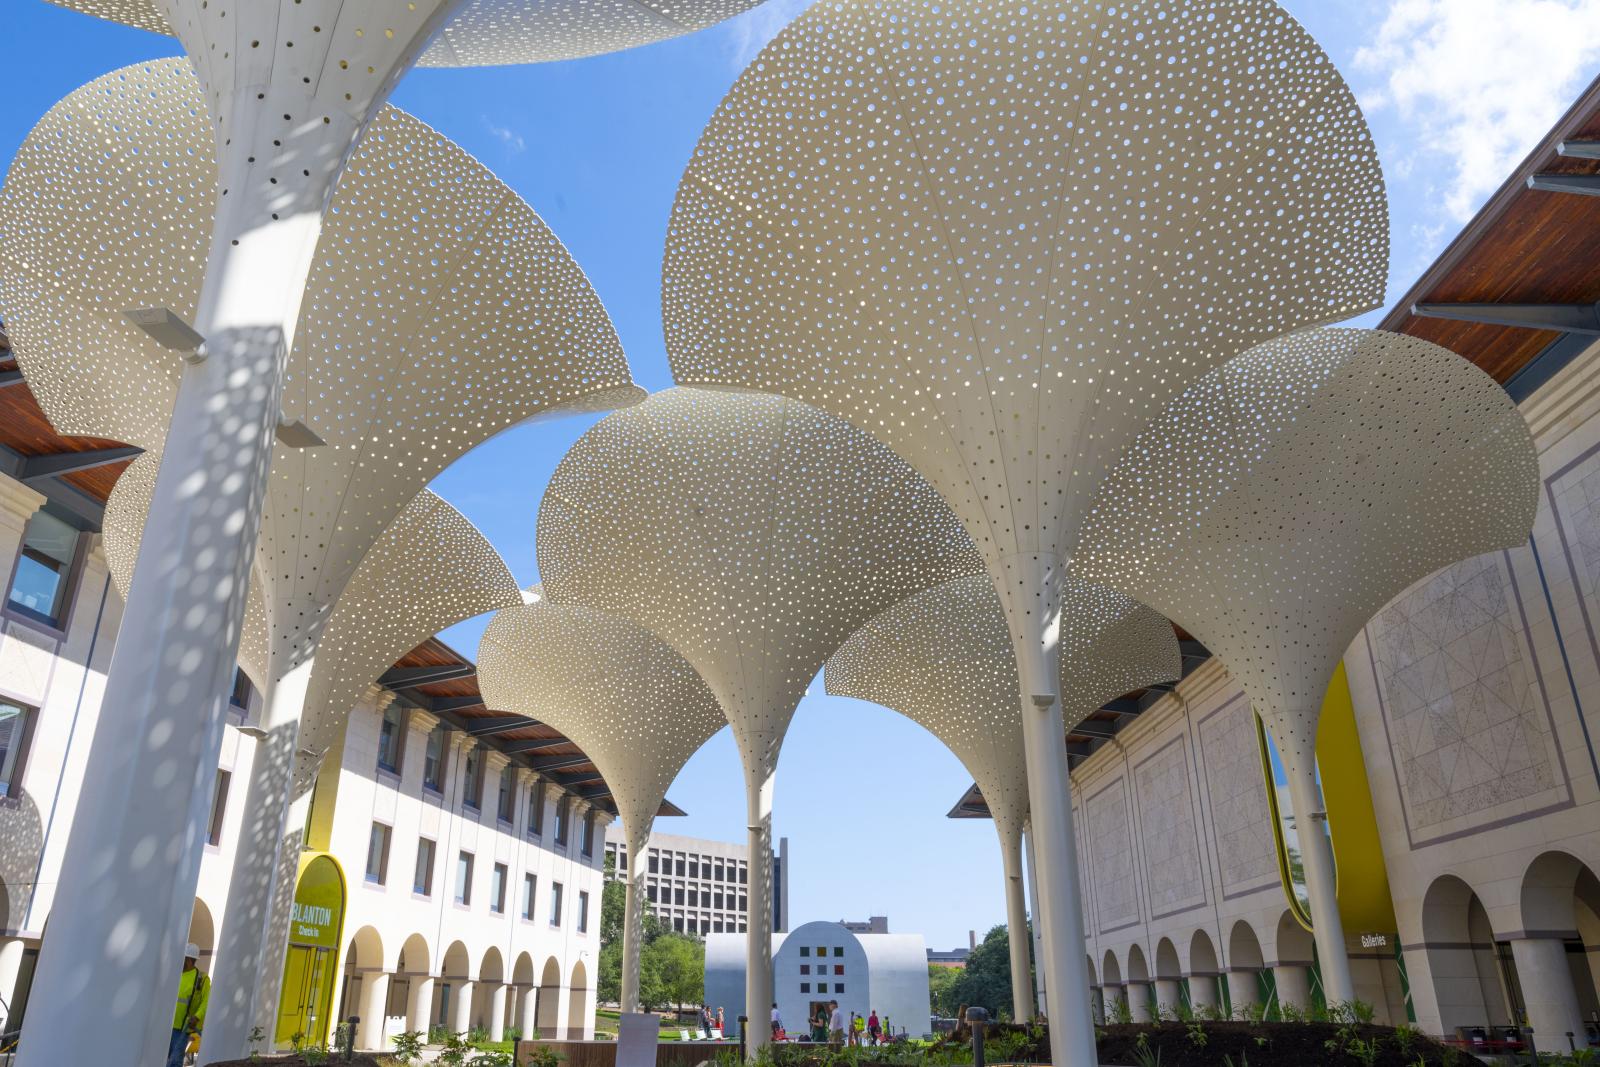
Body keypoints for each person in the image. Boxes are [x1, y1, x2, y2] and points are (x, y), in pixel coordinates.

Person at [168, 943, 208, 1067]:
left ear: (191, 960)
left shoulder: (201, 979)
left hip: (182, 1029)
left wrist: (197, 1016)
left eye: (184, 958)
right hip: (165, 1026)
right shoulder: (174, 974)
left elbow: (206, 1001)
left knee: (174, 1061)